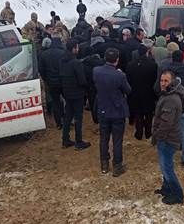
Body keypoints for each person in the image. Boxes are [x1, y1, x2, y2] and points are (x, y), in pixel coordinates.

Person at [155, 50, 184, 167]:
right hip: (183, 107)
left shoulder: (165, 73)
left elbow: (156, 88)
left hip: (167, 106)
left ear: (172, 58)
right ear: (183, 58)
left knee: (166, 129)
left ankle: (166, 156)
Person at [93, 48, 131, 176]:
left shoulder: (96, 71)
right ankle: (117, 166)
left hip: (103, 109)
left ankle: (104, 165)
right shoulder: (120, 75)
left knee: (103, 139)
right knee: (117, 140)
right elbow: (128, 90)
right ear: (117, 60)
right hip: (117, 111)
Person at [153, 70, 184, 205]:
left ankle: (177, 195)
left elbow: (166, 123)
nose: (162, 83)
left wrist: (157, 136)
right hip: (167, 137)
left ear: (172, 82)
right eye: (161, 80)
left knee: (167, 168)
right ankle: (167, 188)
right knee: (164, 165)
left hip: (168, 139)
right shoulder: (168, 94)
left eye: (166, 81)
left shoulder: (171, 99)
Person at [60, 39, 91, 150]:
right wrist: (86, 88)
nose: (78, 49)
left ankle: (65, 139)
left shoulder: (63, 61)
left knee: (68, 116)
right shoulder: (76, 63)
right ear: (73, 49)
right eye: (77, 47)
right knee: (78, 117)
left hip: (67, 92)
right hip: (77, 93)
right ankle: (79, 141)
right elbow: (82, 80)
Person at [126, 45, 158, 140]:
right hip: (149, 93)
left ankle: (139, 133)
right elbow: (155, 79)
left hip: (135, 93)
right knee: (148, 113)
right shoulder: (153, 65)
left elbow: (128, 80)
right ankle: (148, 132)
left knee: (138, 113)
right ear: (147, 52)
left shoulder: (130, 65)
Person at [38, 37, 66, 129]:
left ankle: (58, 123)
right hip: (63, 81)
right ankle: (67, 119)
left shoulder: (44, 54)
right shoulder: (63, 53)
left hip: (51, 82)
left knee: (55, 102)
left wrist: (46, 79)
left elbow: (41, 69)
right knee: (67, 100)